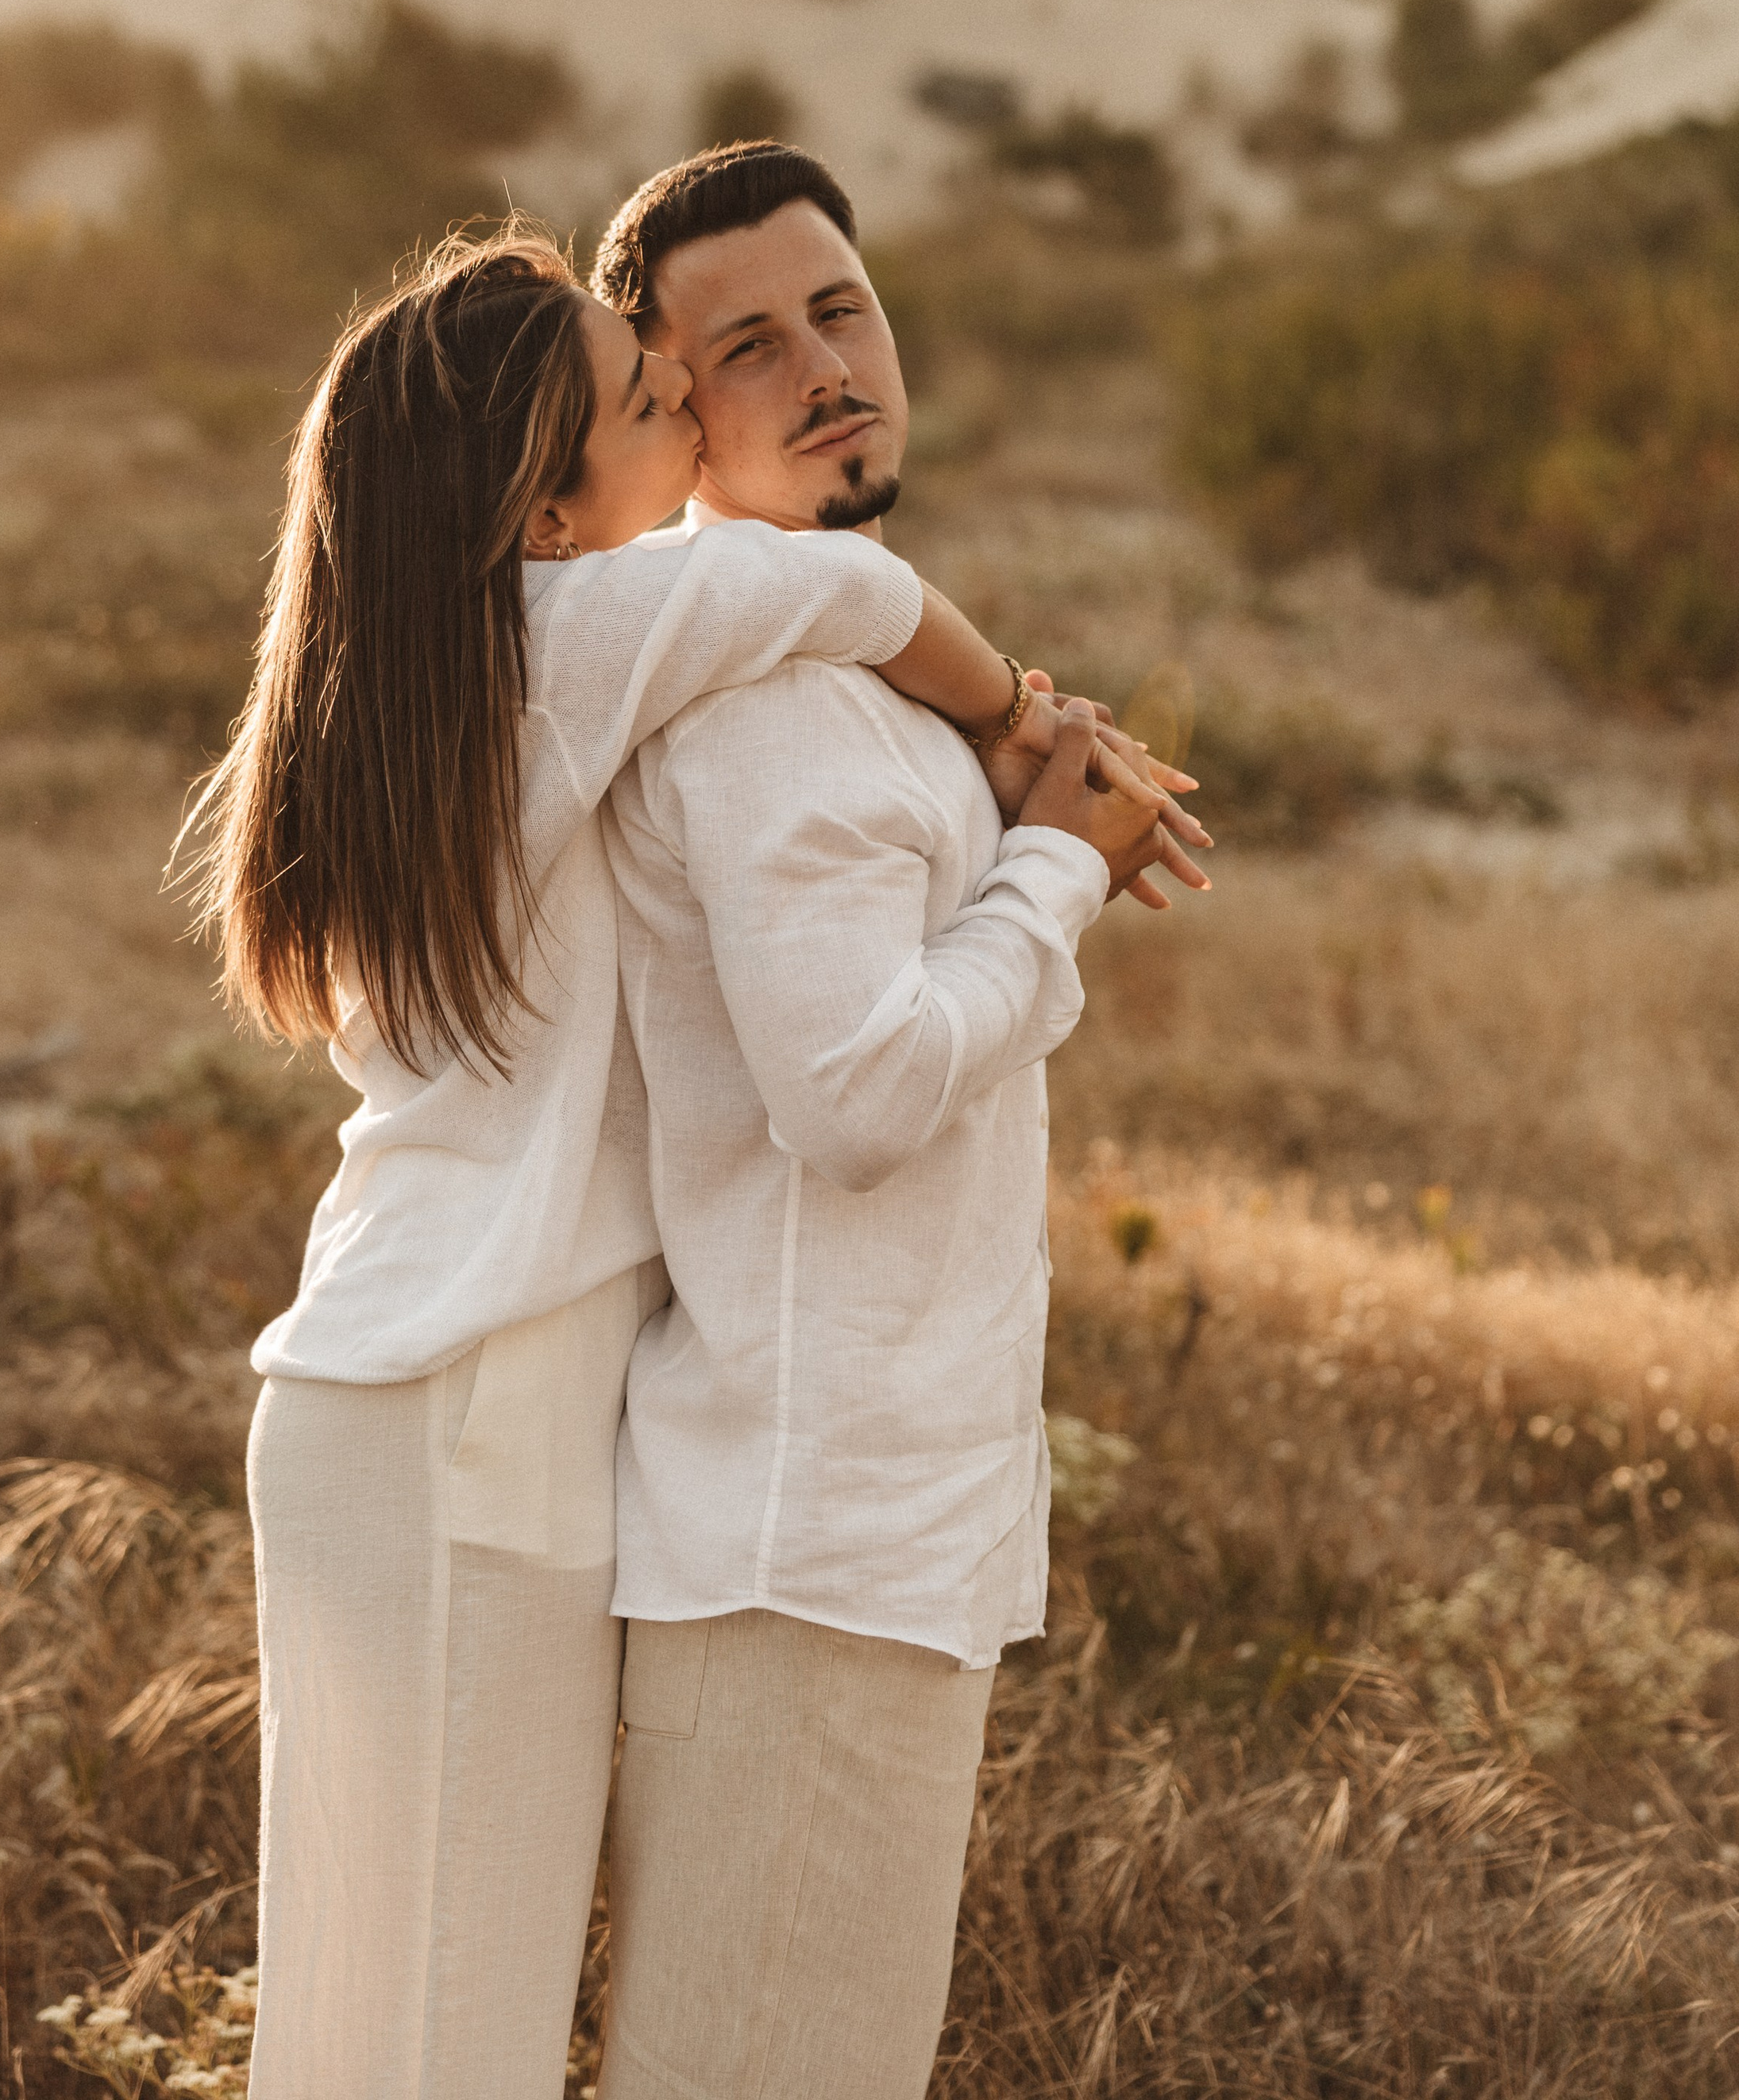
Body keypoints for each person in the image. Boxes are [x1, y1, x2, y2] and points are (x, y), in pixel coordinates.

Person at [182, 223, 1178, 2100]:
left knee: (381, 2038)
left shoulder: (442, 667)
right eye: (647, 399)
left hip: (423, 1398)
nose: (684, 417)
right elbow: (857, 602)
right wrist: (1024, 730)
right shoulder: (587, 629)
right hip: (460, 1414)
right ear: (540, 515)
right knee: (427, 2054)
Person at [588, 144, 1210, 2100]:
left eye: (839, 310)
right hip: (805, 1550)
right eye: (748, 346)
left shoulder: (837, 663)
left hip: (850, 1536)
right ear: (670, 414)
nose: (823, 368)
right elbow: (850, 1093)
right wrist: (1049, 870)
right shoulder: (768, 701)